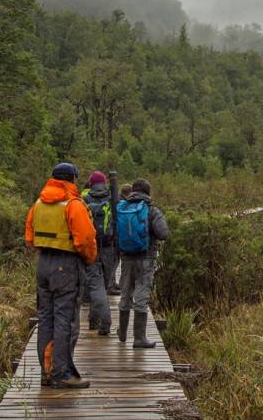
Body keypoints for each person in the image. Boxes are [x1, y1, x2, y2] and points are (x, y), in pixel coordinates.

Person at [25, 163, 97, 388]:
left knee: (46, 318)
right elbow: (85, 240)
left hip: (43, 264)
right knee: (65, 319)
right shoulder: (73, 205)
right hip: (66, 265)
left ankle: (47, 373)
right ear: (73, 179)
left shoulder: (38, 204)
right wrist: (89, 259)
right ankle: (62, 373)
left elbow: (29, 237)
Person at [115, 178, 170, 348]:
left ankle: (122, 332)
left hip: (126, 258)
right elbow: (163, 234)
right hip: (146, 258)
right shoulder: (151, 210)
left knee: (125, 292)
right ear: (148, 192)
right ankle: (139, 338)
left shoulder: (122, 208)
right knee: (141, 294)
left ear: (133, 191)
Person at [82, 171, 115, 334]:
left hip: (92, 247)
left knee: (96, 286)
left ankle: (99, 320)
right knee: (104, 286)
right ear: (104, 183)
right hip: (110, 249)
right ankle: (103, 322)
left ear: (91, 184)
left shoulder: (84, 200)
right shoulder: (112, 199)